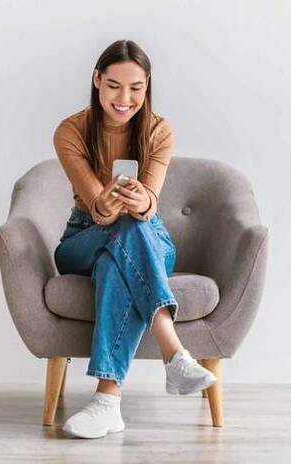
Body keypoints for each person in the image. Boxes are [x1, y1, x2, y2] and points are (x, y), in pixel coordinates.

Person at [52, 39, 217, 439]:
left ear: (148, 86)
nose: (124, 99)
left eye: (136, 88)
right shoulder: (71, 131)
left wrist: (142, 202)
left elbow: (150, 203)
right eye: (113, 86)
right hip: (85, 236)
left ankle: (107, 402)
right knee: (122, 231)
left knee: (120, 255)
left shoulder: (159, 131)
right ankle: (173, 353)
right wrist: (107, 205)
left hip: (145, 236)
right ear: (97, 80)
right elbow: (97, 208)